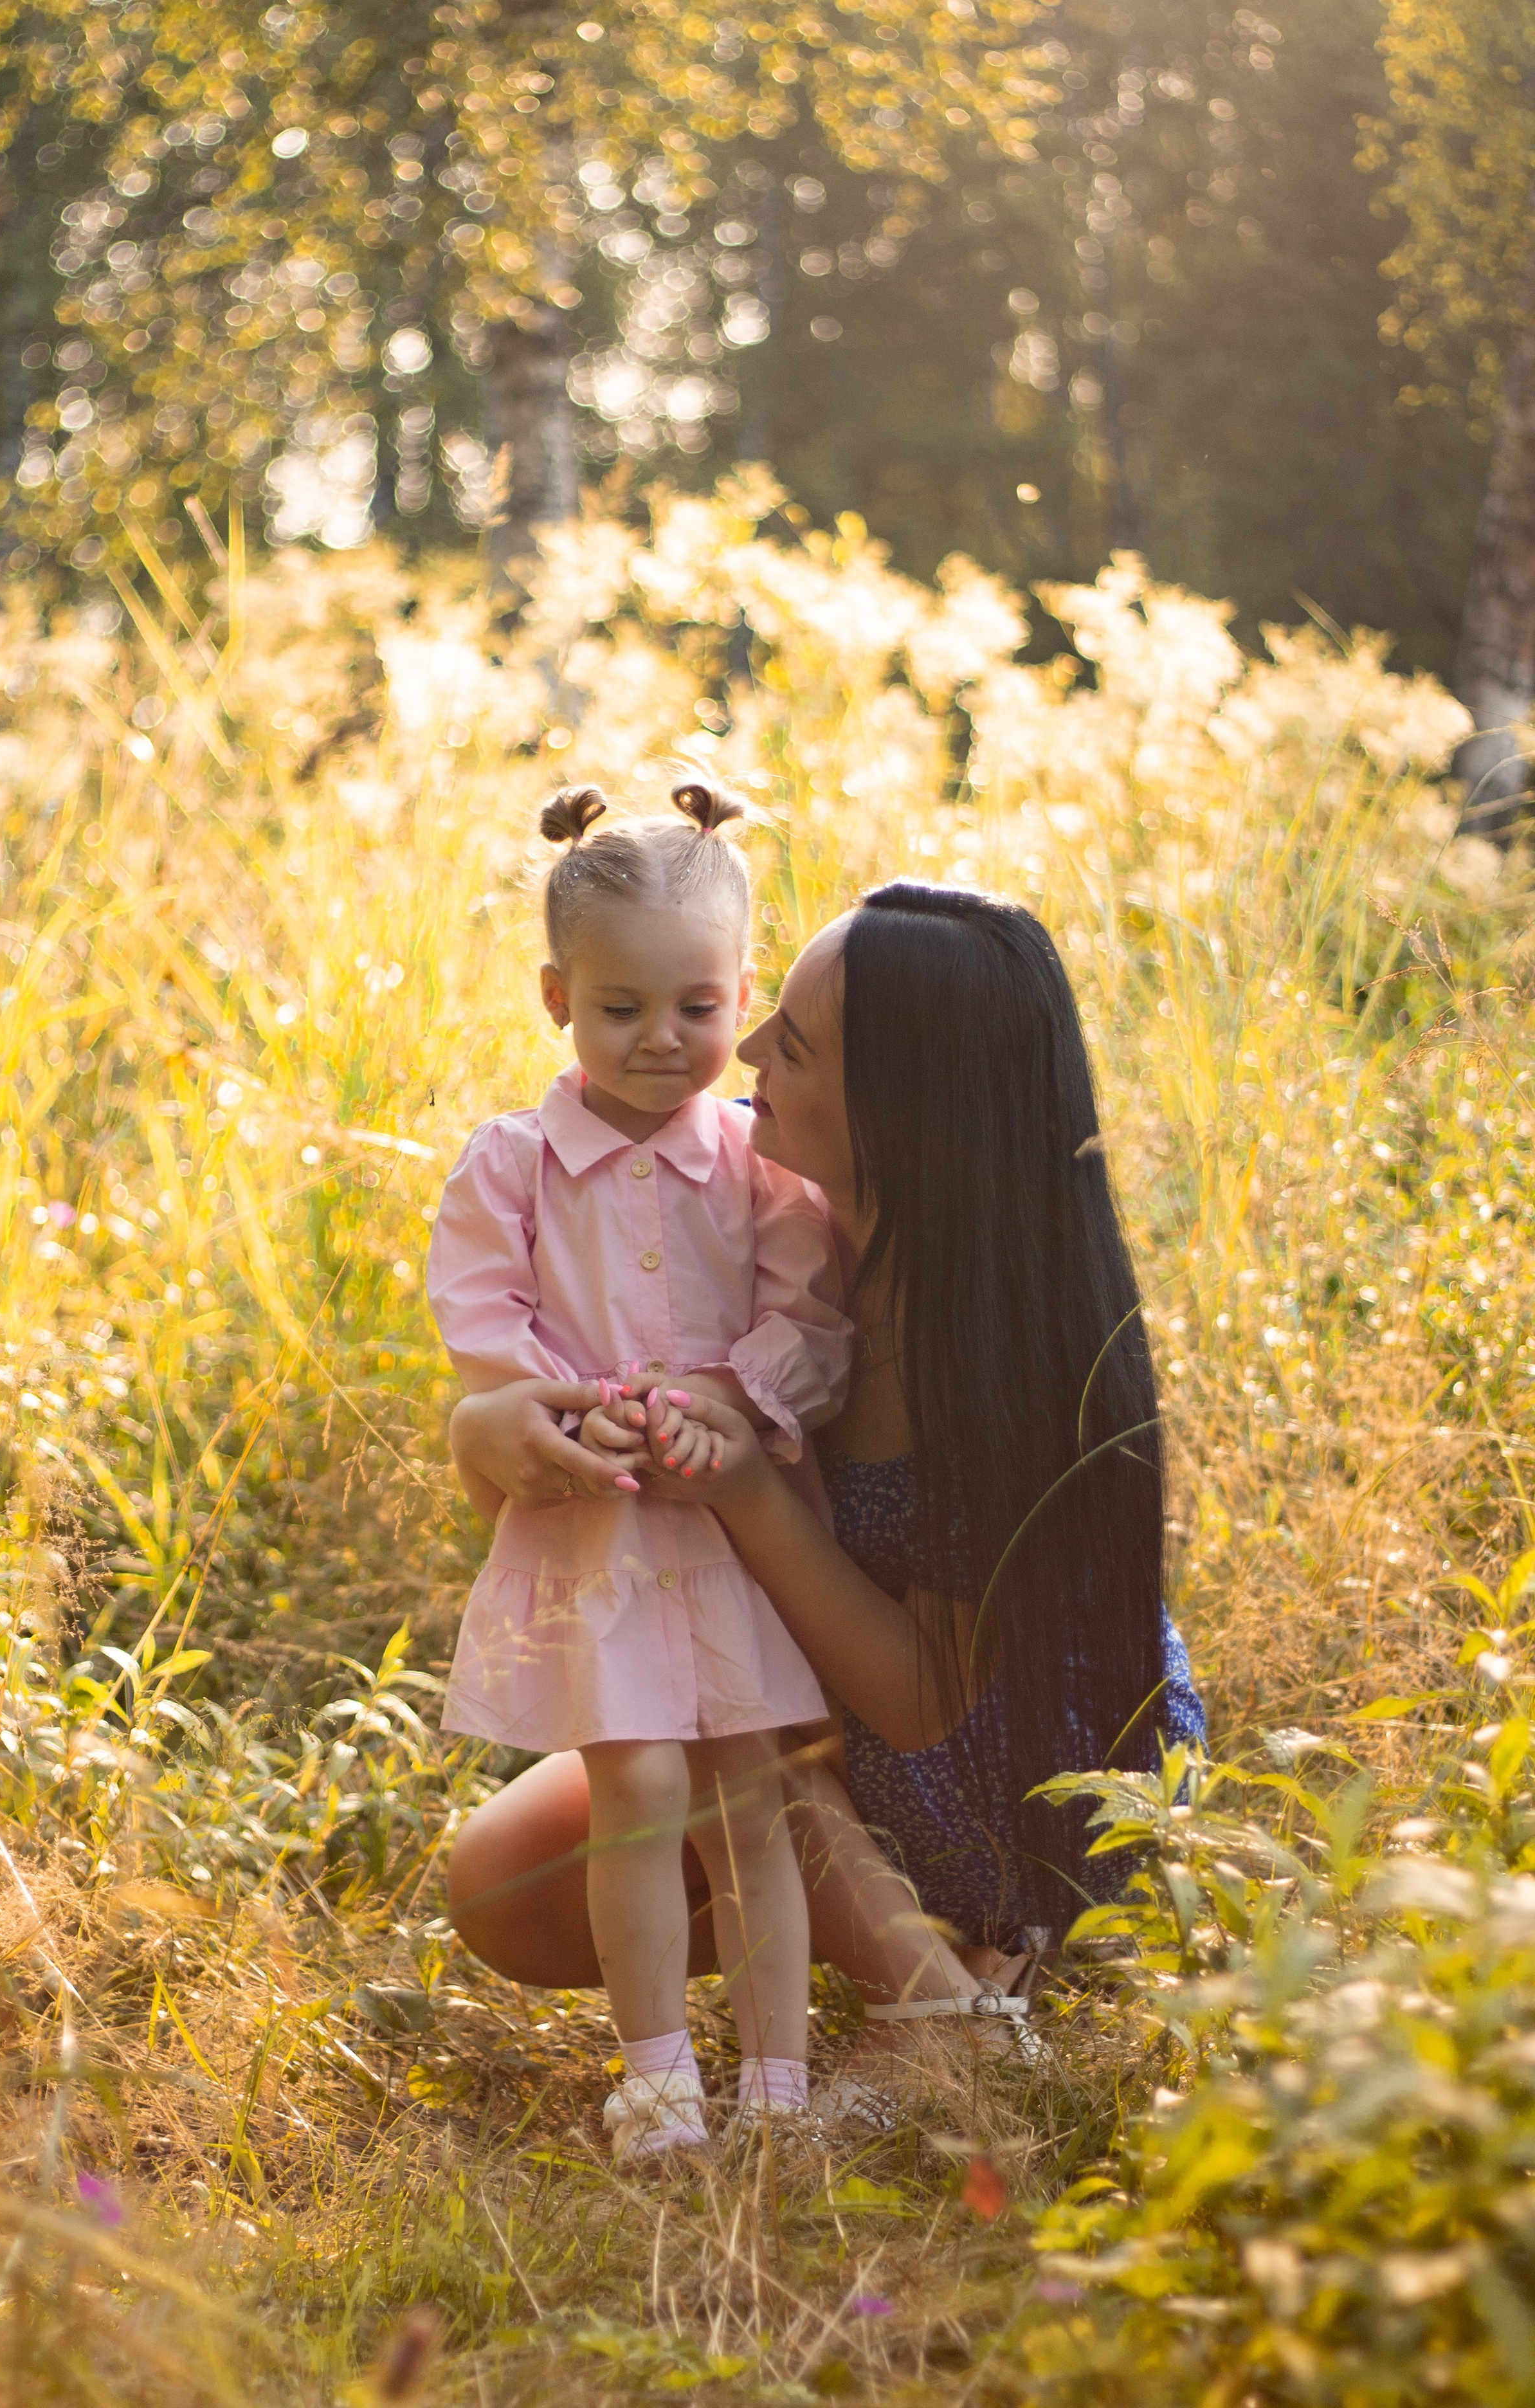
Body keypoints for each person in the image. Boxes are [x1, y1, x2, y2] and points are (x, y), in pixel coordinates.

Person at [444, 882, 1206, 2090]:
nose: (740, 1052)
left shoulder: (991, 1346)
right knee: (506, 1884)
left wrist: (744, 1491)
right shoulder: (762, 1225)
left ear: (904, 1114)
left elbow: (916, 1704)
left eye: (786, 1041)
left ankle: (951, 2007)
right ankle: (875, 1947)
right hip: (816, 1697)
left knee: (703, 1706)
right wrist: (487, 1435)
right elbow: (603, 1530)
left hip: (1008, 1770)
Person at [428, 781, 853, 2162]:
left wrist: (737, 1402)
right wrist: (555, 1407)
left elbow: (807, 1323)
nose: (663, 1041)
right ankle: (659, 2075)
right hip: (600, 1530)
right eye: (621, 1009)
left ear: (740, 995)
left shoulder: (758, 1168)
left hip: (731, 1533)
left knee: (756, 1797)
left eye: (697, 1007)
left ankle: (779, 2087)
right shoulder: (514, 1163)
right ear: (558, 997)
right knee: (639, 1794)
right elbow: (481, 1316)